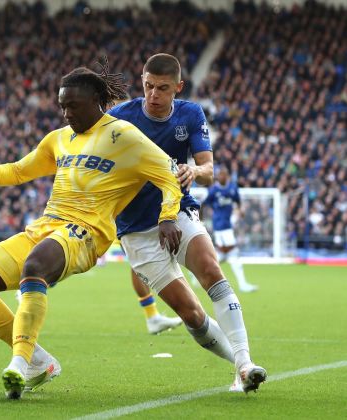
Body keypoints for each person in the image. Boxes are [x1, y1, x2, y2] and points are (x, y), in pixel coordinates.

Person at [0, 63, 185, 399]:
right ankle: (38, 360)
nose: (66, 113)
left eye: (73, 105)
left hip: (88, 232)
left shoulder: (124, 135)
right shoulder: (59, 139)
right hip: (47, 226)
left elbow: (169, 173)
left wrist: (168, 216)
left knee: (34, 266)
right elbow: (20, 171)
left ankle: (18, 364)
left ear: (96, 101)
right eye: (62, 106)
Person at [108, 53, 266, 392]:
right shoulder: (121, 117)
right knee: (191, 315)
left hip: (177, 211)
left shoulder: (191, 114)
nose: (153, 95)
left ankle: (244, 363)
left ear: (178, 87)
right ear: (142, 81)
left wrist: (194, 170)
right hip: (135, 230)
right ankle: (236, 364)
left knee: (210, 270)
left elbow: (209, 171)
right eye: (148, 86)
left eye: (163, 89)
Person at [203, 167, 258, 292]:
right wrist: (200, 220)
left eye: (224, 174)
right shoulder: (214, 191)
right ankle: (243, 284)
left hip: (227, 225)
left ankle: (202, 268)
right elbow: (203, 204)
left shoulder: (232, 188)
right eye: (220, 175)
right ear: (217, 177)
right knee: (232, 252)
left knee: (224, 255)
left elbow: (238, 201)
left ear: (227, 176)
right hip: (219, 226)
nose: (221, 177)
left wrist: (241, 209)